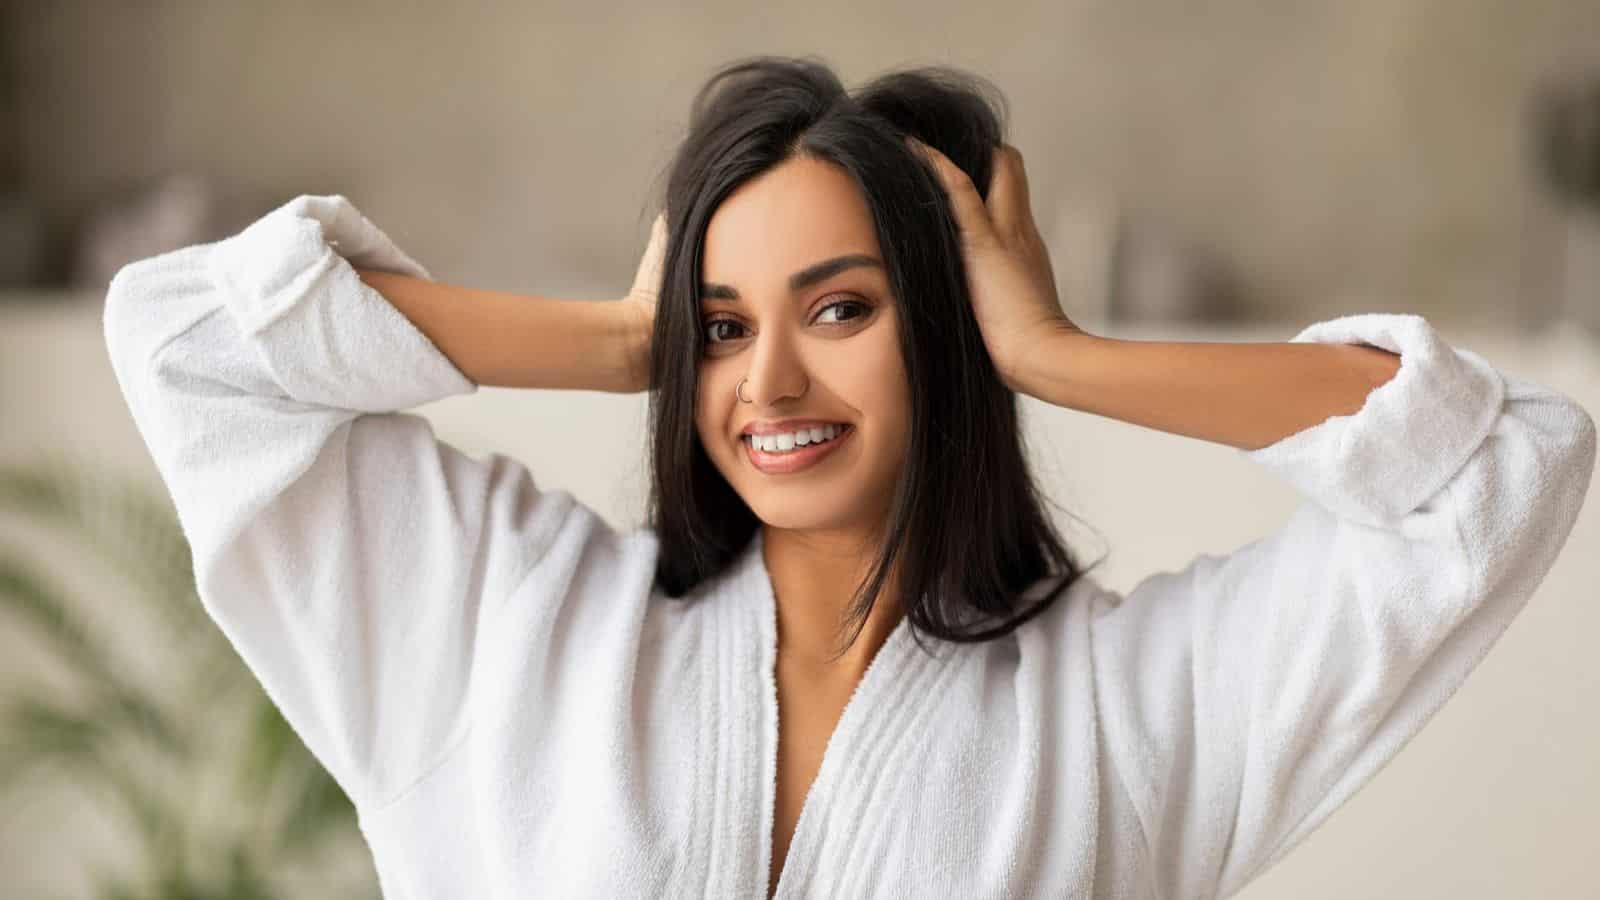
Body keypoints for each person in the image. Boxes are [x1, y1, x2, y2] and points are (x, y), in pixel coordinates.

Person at [103, 56, 1595, 899]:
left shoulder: (1134, 709)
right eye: (723, 327)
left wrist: (1059, 355)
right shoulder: (503, 625)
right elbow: (188, 340)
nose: (769, 387)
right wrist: (624, 335)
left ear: (941, 332)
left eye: (842, 310)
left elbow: (1492, 469)